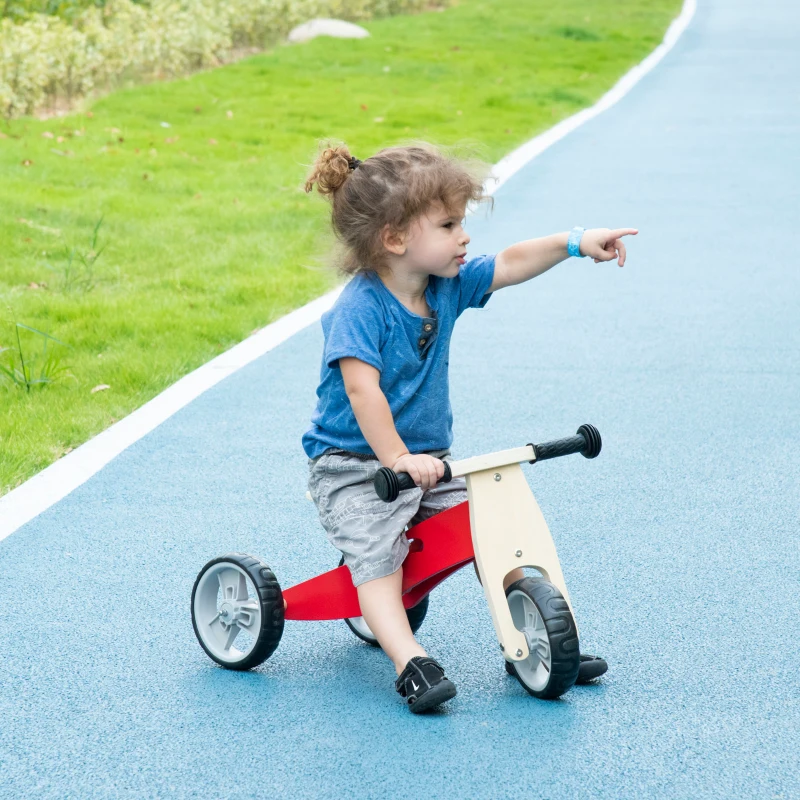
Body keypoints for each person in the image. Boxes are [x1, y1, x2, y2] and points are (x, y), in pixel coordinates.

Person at [302, 142, 636, 713]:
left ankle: (532, 640)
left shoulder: (446, 285)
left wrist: (575, 243)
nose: (465, 237)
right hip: (357, 468)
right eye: (450, 224)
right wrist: (397, 460)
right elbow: (363, 390)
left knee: (493, 523)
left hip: (428, 462)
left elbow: (509, 263)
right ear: (395, 239)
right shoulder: (361, 307)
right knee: (379, 557)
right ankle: (409, 660)